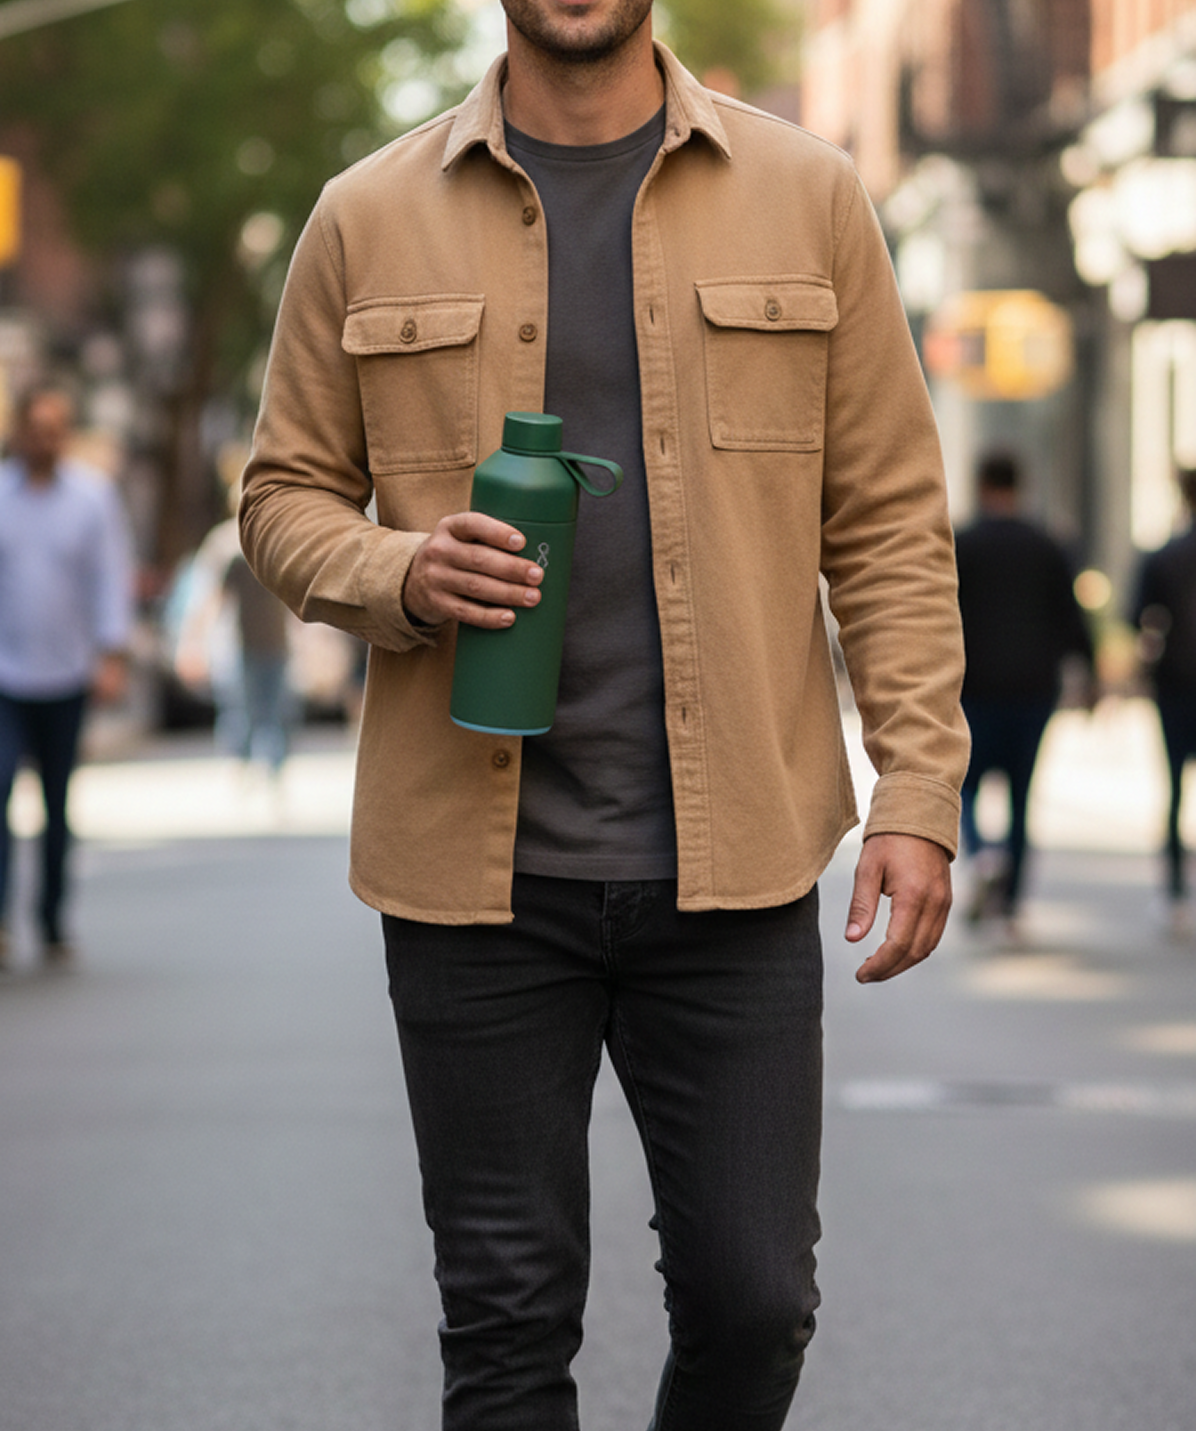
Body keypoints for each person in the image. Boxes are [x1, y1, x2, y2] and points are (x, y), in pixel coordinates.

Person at [240, 6, 969, 1428]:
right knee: (506, 1322)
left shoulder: (808, 195)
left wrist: (917, 790)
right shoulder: (364, 214)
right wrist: (401, 569)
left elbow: (886, 522)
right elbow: (281, 497)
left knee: (754, 1302)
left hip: (736, 863)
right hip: (471, 884)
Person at [0, 386, 134, 969]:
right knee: (0, 788)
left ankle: (51, 917)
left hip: (67, 672)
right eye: (36, 430)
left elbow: (109, 577)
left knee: (56, 802)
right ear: (19, 433)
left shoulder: (91, 497)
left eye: (55, 430)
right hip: (6, 674)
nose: (44, 440)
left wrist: (111, 656)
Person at [954, 449, 1094, 933]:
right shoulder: (1047, 544)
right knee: (1021, 794)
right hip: (1034, 689)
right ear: (1020, 486)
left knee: (966, 784)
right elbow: (1071, 616)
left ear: (981, 485)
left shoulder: (963, 543)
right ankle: (1011, 905)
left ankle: (981, 855)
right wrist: (1089, 673)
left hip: (976, 687)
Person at [1131, 467, 1196, 936]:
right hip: (1174, 682)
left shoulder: (1165, 556)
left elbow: (1140, 618)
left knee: (1174, 788)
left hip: (1175, 683)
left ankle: (1174, 891)